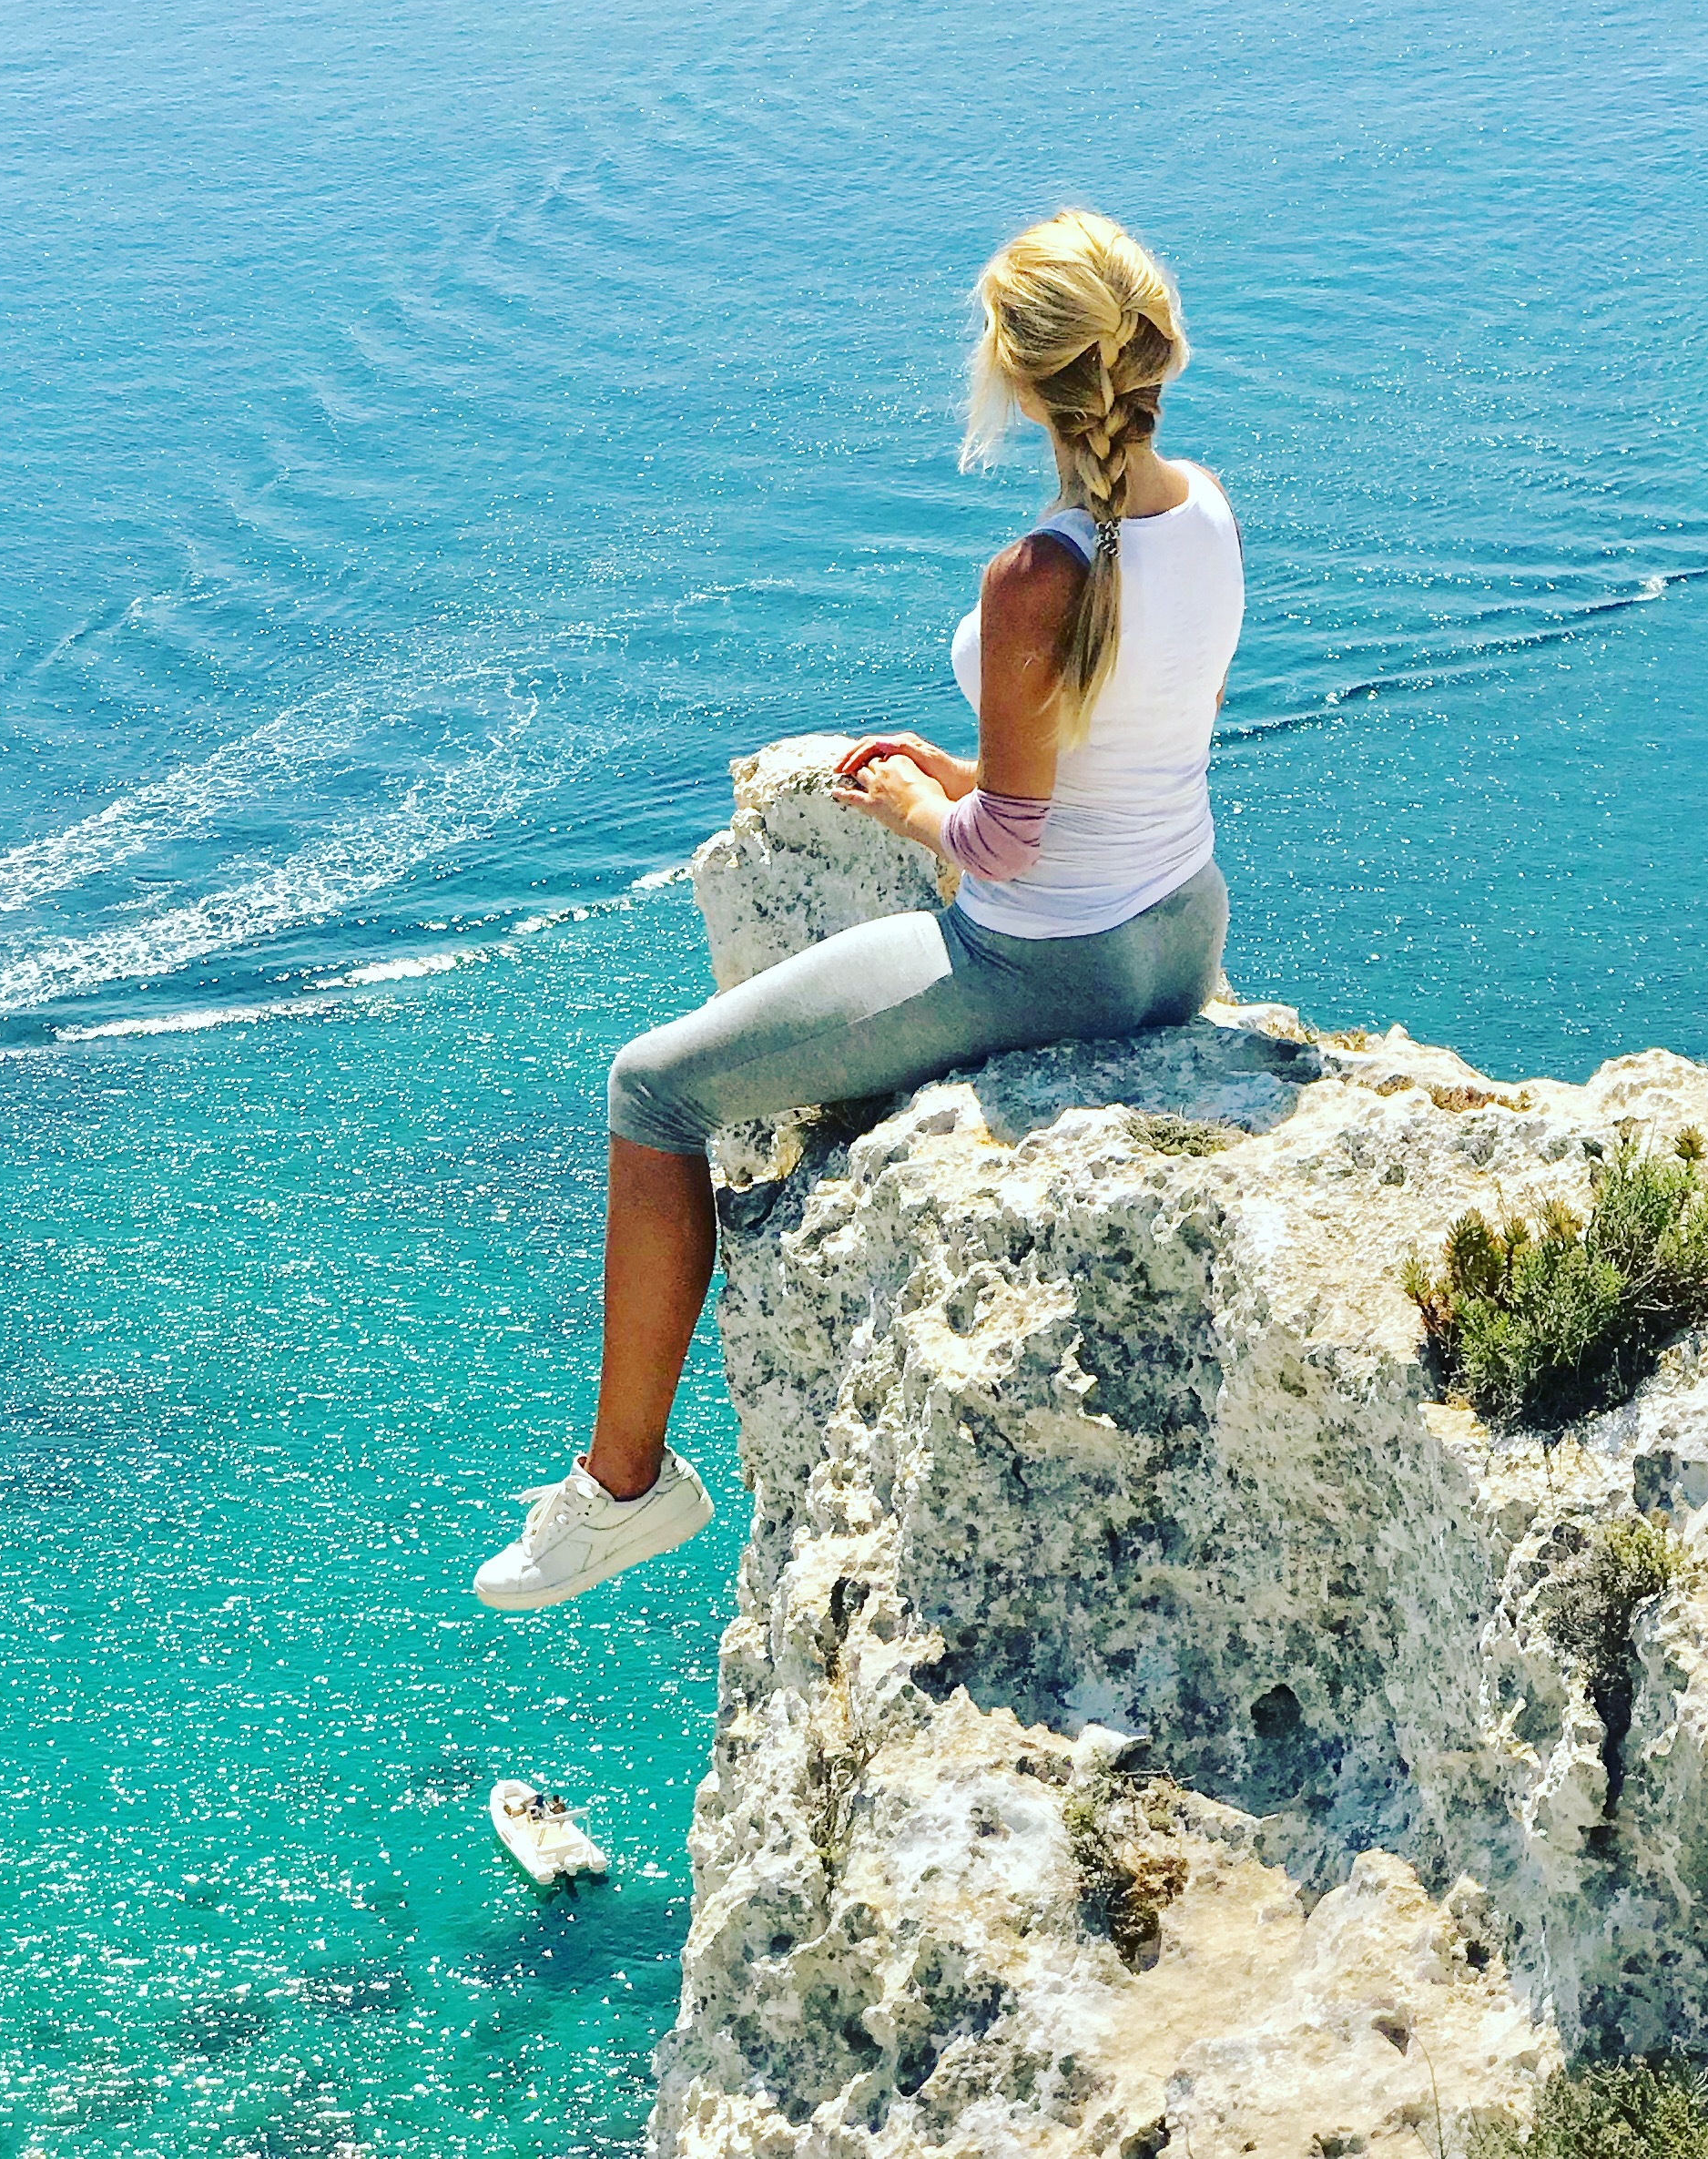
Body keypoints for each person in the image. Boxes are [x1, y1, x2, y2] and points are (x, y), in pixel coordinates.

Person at [474, 209, 1242, 1612]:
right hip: (1182, 938)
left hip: (1047, 968)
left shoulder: (1039, 574)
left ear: (1017, 368)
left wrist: (917, 809)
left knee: (650, 1089)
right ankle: (621, 1489)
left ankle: (624, 1492)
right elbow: (1135, 742)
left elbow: (1004, 853)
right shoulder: (1203, 508)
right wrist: (978, 767)